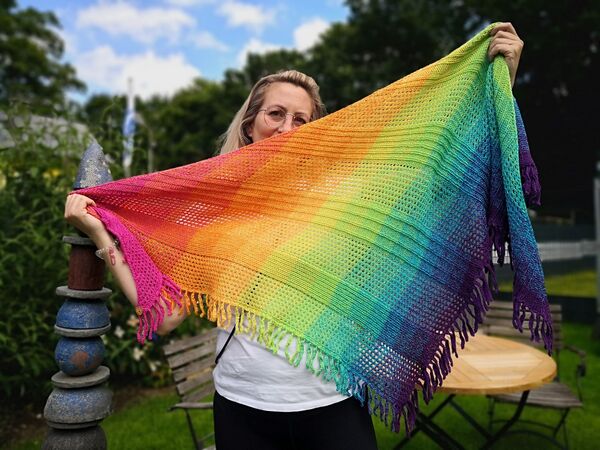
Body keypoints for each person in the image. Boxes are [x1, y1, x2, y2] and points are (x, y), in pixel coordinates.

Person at [65, 22, 524, 449]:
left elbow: (440, 179)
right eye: (276, 114)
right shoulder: (213, 211)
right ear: (250, 125)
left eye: (302, 120)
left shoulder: (342, 201)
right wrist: (101, 234)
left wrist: (501, 80)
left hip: (332, 401)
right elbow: (165, 318)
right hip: (243, 405)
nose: (288, 129)